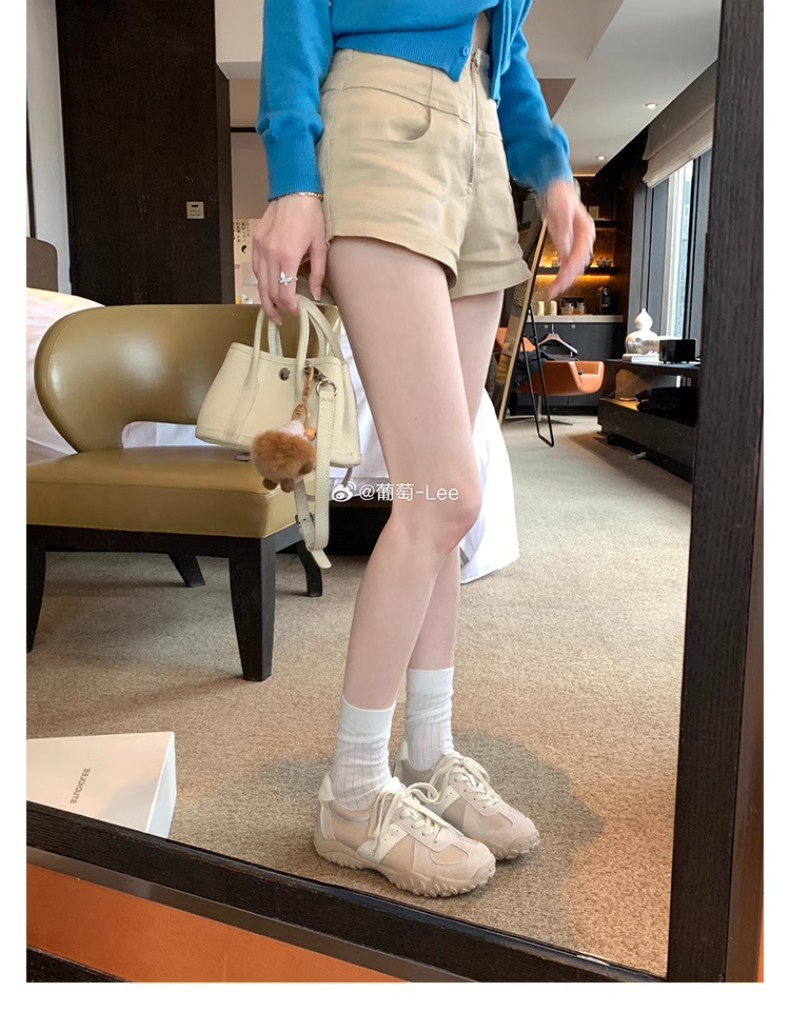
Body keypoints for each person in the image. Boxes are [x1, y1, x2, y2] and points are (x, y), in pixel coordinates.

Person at [253, 1, 595, 898]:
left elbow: (505, 42)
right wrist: (293, 175)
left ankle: (429, 753)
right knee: (447, 494)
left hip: (481, 133)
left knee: (442, 497)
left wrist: (551, 169)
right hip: (381, 114)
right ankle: (353, 793)